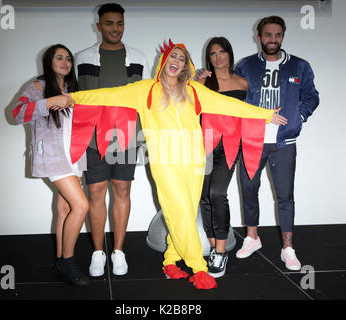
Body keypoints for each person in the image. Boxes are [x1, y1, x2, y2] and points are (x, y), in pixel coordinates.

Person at [66, 40, 287, 289]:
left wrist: (265, 114)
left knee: (185, 213)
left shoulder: (193, 91)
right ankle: (198, 266)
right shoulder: (145, 90)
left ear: (186, 66)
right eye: (174, 56)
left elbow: (229, 104)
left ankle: (171, 260)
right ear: (164, 61)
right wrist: (72, 98)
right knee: (179, 209)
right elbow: (107, 95)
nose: (177, 61)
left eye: (182, 59)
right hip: (164, 163)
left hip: (195, 162)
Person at [234, 16, 319, 270]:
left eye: (278, 35)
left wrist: (298, 117)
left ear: (283, 36)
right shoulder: (246, 66)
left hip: (284, 143)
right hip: (252, 140)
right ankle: (252, 238)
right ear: (258, 37)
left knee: (285, 196)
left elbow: (312, 97)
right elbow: (233, 98)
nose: (273, 40)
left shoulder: (300, 67)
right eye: (268, 35)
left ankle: (288, 248)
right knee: (248, 190)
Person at [74, 3, 150, 277]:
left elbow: (146, 98)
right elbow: (75, 97)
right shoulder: (82, 57)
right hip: (93, 138)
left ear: (123, 25)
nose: (114, 28)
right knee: (94, 193)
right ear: (99, 26)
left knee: (121, 191)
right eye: (109, 23)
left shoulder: (139, 57)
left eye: (119, 23)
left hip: (127, 138)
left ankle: (118, 251)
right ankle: (98, 252)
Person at [12, 44, 90, 286]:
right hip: (54, 158)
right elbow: (17, 113)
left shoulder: (73, 88)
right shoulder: (38, 86)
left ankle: (59, 262)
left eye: (68, 58)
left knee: (65, 209)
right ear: (49, 61)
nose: (65, 62)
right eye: (59, 58)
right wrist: (49, 102)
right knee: (82, 205)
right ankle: (68, 261)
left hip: (73, 156)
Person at [197, 37, 251, 278]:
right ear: (209, 58)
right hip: (205, 145)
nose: (218, 57)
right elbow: (191, 109)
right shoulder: (203, 82)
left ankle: (221, 251)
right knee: (204, 197)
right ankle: (213, 247)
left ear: (229, 54)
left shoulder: (242, 83)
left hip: (231, 145)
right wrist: (196, 83)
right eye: (213, 53)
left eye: (222, 52)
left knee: (217, 193)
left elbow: (249, 113)